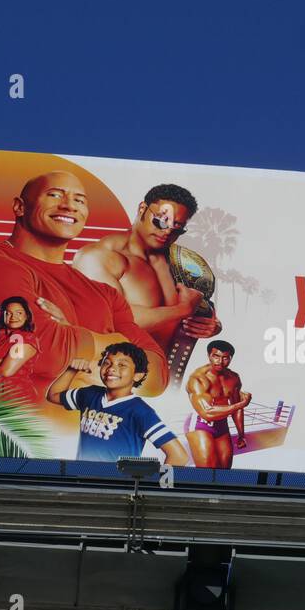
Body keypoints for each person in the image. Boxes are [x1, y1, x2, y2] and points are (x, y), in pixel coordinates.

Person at [0, 170, 167, 406]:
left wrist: (73, 335)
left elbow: (156, 377)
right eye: (54, 195)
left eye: (79, 200)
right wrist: (118, 346)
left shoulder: (105, 294)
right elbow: (47, 352)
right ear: (20, 207)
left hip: (89, 439)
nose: (70, 206)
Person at [71, 183, 221, 352]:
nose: (167, 232)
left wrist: (211, 324)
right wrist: (183, 310)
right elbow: (112, 320)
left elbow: (199, 300)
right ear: (142, 208)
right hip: (108, 374)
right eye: (161, 221)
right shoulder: (98, 257)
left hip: (165, 374)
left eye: (177, 228)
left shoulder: (181, 261)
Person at [47, 341, 189, 465]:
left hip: (118, 489)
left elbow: (179, 456)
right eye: (107, 363)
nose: (112, 368)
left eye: (122, 365)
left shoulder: (140, 411)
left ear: (137, 375)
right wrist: (71, 370)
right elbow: (53, 396)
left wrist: (155, 487)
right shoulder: (89, 394)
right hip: (81, 480)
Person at [185, 340, 251, 468]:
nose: (220, 361)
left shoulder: (233, 378)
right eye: (216, 356)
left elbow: (237, 407)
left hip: (221, 425)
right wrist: (241, 405)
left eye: (225, 358)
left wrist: (241, 434)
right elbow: (207, 413)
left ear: (230, 358)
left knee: (224, 471)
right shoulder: (198, 378)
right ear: (209, 356)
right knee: (207, 472)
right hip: (200, 424)